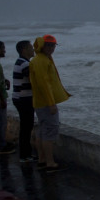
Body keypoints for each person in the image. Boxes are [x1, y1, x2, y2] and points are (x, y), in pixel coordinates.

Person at [30, 35, 70, 172]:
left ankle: (42, 160)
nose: (51, 48)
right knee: (49, 133)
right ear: (42, 46)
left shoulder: (40, 59)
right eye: (48, 45)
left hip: (40, 102)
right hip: (45, 104)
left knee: (42, 131)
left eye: (53, 46)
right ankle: (49, 162)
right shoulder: (41, 61)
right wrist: (51, 103)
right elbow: (44, 84)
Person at [13, 40, 37, 162]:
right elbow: (34, 80)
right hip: (24, 98)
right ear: (24, 50)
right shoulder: (25, 64)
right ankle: (24, 155)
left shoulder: (21, 62)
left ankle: (26, 153)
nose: (33, 50)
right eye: (30, 47)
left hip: (19, 97)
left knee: (26, 126)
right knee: (26, 127)